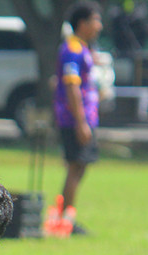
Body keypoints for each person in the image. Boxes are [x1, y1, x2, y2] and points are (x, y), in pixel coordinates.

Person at [51, 1, 103, 236]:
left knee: (79, 167)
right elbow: (71, 86)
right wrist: (81, 122)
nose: (99, 26)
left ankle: (66, 217)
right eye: (95, 20)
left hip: (84, 118)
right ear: (82, 23)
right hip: (74, 120)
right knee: (75, 166)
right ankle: (66, 220)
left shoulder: (82, 48)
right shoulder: (72, 48)